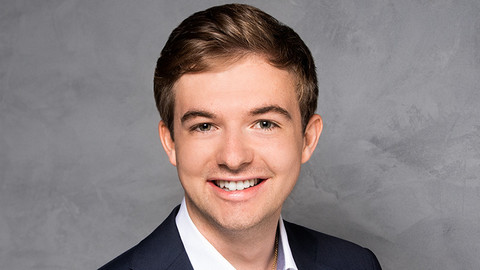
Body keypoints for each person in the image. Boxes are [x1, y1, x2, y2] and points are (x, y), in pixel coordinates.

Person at [100, 3, 381, 270]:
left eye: (264, 124)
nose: (233, 158)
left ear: (307, 139)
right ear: (170, 142)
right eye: (205, 126)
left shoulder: (356, 264)